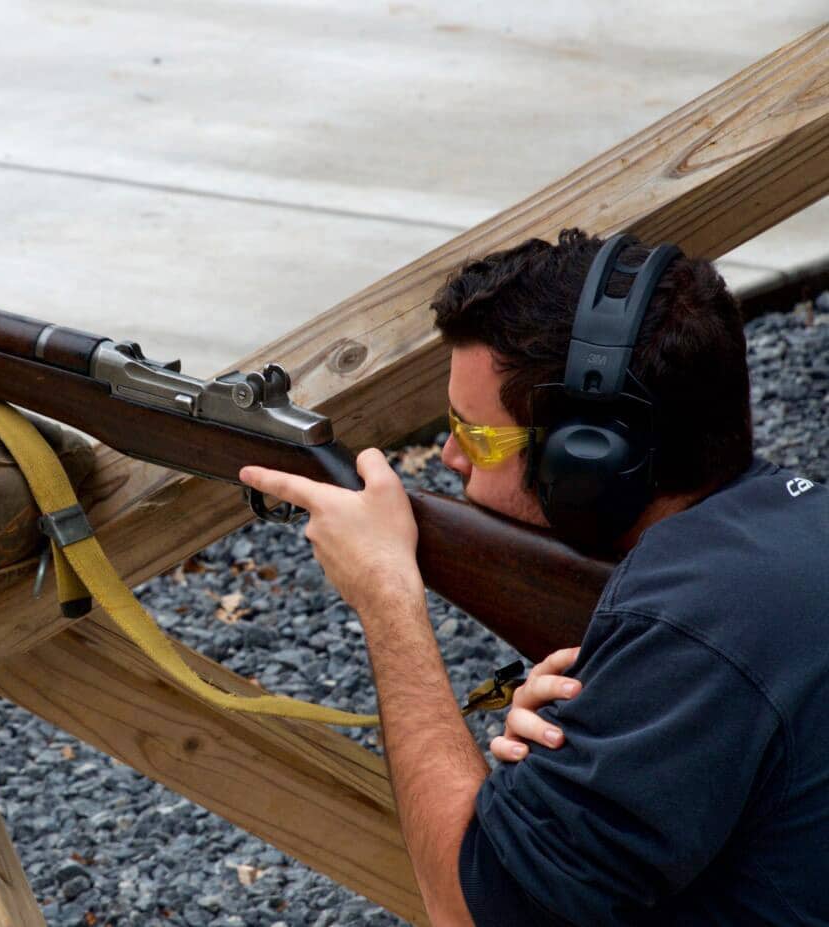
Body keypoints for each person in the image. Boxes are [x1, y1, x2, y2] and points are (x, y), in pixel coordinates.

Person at [239, 229, 828, 925]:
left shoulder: (687, 631)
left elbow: (469, 908)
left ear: (589, 461)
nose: (451, 456)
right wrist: (606, 700)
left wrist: (386, 595)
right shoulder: (792, 533)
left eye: (479, 437)